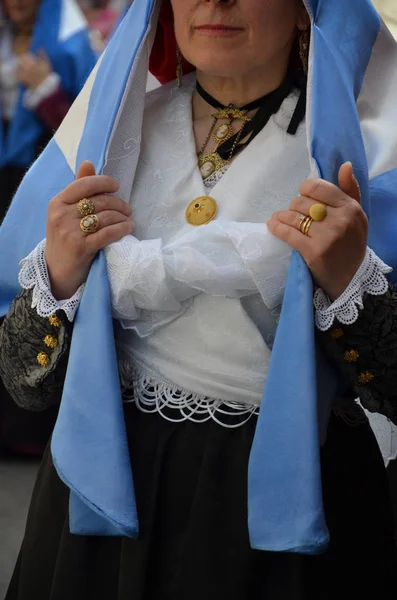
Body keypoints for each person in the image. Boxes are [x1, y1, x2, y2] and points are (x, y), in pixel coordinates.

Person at [1, 0, 397, 597]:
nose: (216, 1)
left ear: (303, 11)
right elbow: (21, 382)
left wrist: (350, 281)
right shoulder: (111, 138)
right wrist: (58, 273)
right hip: (103, 493)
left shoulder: (369, 160)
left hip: (281, 514)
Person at [0, 0, 96, 454]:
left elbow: (87, 130)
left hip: (38, 181)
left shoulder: (68, 40)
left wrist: (46, 89)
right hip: (2, 174)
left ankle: (29, 431)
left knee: (31, 291)